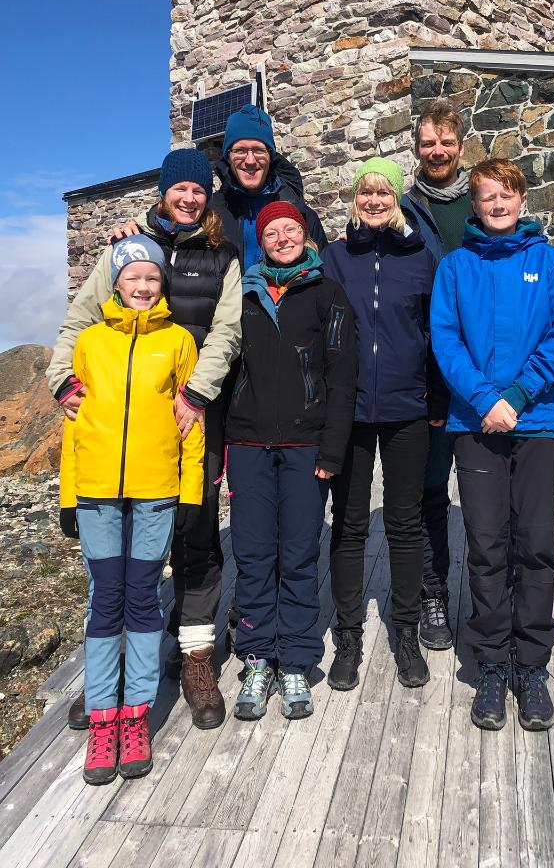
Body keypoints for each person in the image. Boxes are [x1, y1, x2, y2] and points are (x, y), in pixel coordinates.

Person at [48, 148, 241, 731]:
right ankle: (111, 676)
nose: (189, 198)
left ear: (208, 196)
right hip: (117, 431)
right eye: (180, 188)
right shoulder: (124, 247)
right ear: (163, 192)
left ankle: (195, 656)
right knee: (120, 557)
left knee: (197, 535)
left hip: (192, 417)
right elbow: (80, 320)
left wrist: (196, 394)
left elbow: (227, 330)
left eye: (199, 190)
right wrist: (61, 379)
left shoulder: (222, 253)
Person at [430, 158, 554, 733]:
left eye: (507, 195)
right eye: (487, 196)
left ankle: (532, 665)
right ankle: (492, 662)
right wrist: (485, 399)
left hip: (536, 422)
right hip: (476, 426)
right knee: (487, 545)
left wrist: (515, 396)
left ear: (522, 201)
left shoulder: (548, 263)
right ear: (474, 204)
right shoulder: (456, 267)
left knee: (535, 545)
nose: (497, 205)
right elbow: (446, 341)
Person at [59, 235, 205, 784]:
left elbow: (192, 426)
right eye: (132, 277)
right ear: (115, 283)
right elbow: (73, 425)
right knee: (104, 599)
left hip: (155, 492)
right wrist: (68, 496)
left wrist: (190, 493)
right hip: (96, 492)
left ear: (162, 284)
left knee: (142, 598)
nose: (142, 286)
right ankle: (103, 719)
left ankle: (136, 715)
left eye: (151, 278)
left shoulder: (179, 340)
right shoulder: (90, 342)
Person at [225, 201, 357, 720]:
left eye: (290, 229)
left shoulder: (328, 293)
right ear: (260, 242)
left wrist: (332, 447)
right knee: (254, 554)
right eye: (272, 232)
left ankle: (297, 659)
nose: (282, 238)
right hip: (248, 444)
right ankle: (258, 657)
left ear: (305, 235)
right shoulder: (243, 294)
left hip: (306, 447)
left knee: (300, 554)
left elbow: (342, 376)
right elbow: (224, 368)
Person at [323, 157, 438, 692]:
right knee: (349, 526)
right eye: (365, 192)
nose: (374, 200)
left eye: (384, 192)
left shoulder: (420, 259)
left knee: (404, 523)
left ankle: (406, 632)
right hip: (347, 410)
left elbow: (435, 332)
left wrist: (436, 396)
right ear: (354, 199)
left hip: (406, 406)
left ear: (397, 200)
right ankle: (348, 636)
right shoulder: (335, 257)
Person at [401, 99, 471, 652]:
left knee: (489, 489)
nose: (437, 151)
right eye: (428, 143)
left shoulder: (485, 202)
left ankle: (495, 598)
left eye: (446, 142)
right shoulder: (403, 209)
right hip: (428, 370)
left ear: (461, 147)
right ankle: (433, 593)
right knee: (429, 489)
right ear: (417, 148)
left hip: (483, 370)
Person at [211, 104, 327, 270]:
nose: (250, 160)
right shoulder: (211, 215)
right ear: (228, 157)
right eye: (240, 150)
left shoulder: (302, 215)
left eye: (258, 150)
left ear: (270, 156)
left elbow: (324, 276)